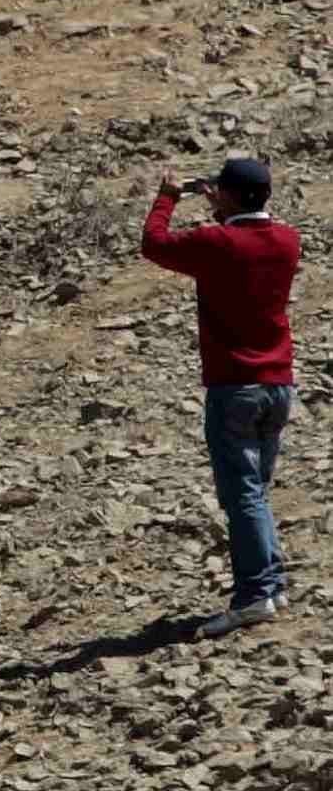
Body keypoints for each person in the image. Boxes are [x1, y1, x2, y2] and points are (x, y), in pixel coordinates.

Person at [142, 156, 299, 634]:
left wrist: (169, 194)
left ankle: (254, 595)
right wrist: (224, 205)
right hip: (279, 384)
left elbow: (155, 244)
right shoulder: (286, 241)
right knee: (256, 488)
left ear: (226, 195)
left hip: (234, 386)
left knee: (242, 493)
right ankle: (270, 585)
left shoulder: (218, 242)